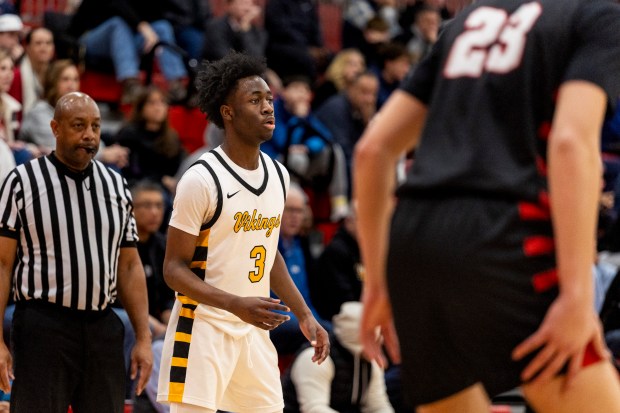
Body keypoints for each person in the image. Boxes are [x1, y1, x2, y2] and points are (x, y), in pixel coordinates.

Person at [354, 0, 620, 412]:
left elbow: (373, 150)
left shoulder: (466, 23)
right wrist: (578, 296)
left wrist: (376, 282)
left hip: (414, 246)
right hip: (505, 237)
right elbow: (570, 142)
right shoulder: (597, 16)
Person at [156, 51, 329, 412]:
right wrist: (234, 304)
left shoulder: (279, 175)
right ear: (228, 112)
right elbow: (173, 269)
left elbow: (269, 253)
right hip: (202, 327)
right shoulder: (201, 179)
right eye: (255, 100)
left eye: (269, 99)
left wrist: (304, 314)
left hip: (252, 330)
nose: (268, 108)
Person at [0, 92, 153, 412]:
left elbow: (129, 266)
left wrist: (142, 337)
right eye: (79, 125)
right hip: (43, 326)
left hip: (102, 327)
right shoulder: (22, 181)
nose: (89, 135)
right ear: (55, 128)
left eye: (96, 127)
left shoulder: (117, 186)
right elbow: (1, 264)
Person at [68, 0, 189, 104]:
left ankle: (176, 84)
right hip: (90, 36)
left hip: (126, 39)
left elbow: (157, 13)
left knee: (162, 26)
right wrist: (141, 26)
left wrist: (151, 36)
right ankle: (130, 84)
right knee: (118, 24)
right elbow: (116, 5)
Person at [282, 301, 394, 413]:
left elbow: (379, 406)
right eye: (373, 336)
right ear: (357, 337)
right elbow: (314, 409)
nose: (380, 342)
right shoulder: (315, 357)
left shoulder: (371, 361)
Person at [19, 59, 129, 168]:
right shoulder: (39, 112)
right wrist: (104, 154)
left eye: (75, 79)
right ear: (52, 82)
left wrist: (111, 153)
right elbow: (61, 147)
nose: (71, 85)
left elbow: (93, 138)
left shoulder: (79, 112)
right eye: (65, 79)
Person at [270, 183, 332, 356]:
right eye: (289, 210)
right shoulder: (268, 243)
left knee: (333, 331)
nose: (295, 217)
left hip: (301, 315)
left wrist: (316, 320)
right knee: (323, 334)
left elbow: (308, 298)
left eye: (299, 211)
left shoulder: (302, 246)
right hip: (276, 318)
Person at [113, 85, 185, 194]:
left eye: (162, 102)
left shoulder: (172, 137)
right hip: (135, 188)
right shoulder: (128, 134)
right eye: (152, 103)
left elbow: (177, 167)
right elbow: (132, 171)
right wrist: (161, 179)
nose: (158, 107)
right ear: (141, 108)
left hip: (165, 190)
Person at [8, 27, 55, 117]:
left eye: (48, 43)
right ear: (27, 47)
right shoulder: (16, 75)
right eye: (38, 43)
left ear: (53, 48)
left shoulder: (56, 75)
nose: (43, 47)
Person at [202, 0, 267, 62]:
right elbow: (225, 58)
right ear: (228, 5)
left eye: (250, 4)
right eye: (243, 3)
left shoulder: (256, 30)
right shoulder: (215, 27)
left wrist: (245, 29)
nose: (247, 8)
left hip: (247, 71)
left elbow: (257, 59)